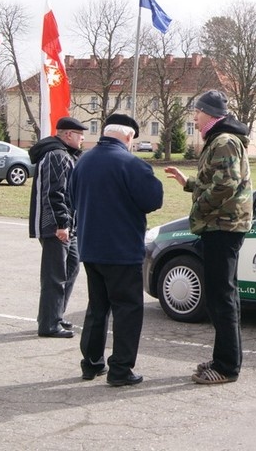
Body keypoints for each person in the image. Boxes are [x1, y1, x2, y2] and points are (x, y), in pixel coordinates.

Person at [164, 90, 253, 385]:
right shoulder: (219, 139)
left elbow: (226, 185)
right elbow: (214, 180)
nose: (195, 116)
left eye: (198, 112)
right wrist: (187, 182)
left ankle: (227, 367)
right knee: (222, 296)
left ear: (211, 114)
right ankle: (223, 358)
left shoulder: (224, 141)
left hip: (222, 226)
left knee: (221, 298)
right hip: (221, 225)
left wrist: (199, 209)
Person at [69, 114, 164, 386]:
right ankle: (120, 369)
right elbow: (153, 200)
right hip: (121, 250)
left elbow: (72, 197)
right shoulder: (132, 164)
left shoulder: (83, 161)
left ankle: (91, 363)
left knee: (97, 308)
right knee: (127, 310)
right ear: (129, 137)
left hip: (90, 246)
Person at [28, 116, 87, 338]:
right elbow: (54, 193)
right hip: (55, 227)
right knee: (55, 275)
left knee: (71, 267)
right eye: (80, 135)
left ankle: (55, 315)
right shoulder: (56, 156)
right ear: (68, 135)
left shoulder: (65, 155)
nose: (82, 139)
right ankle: (49, 324)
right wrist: (62, 224)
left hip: (67, 226)